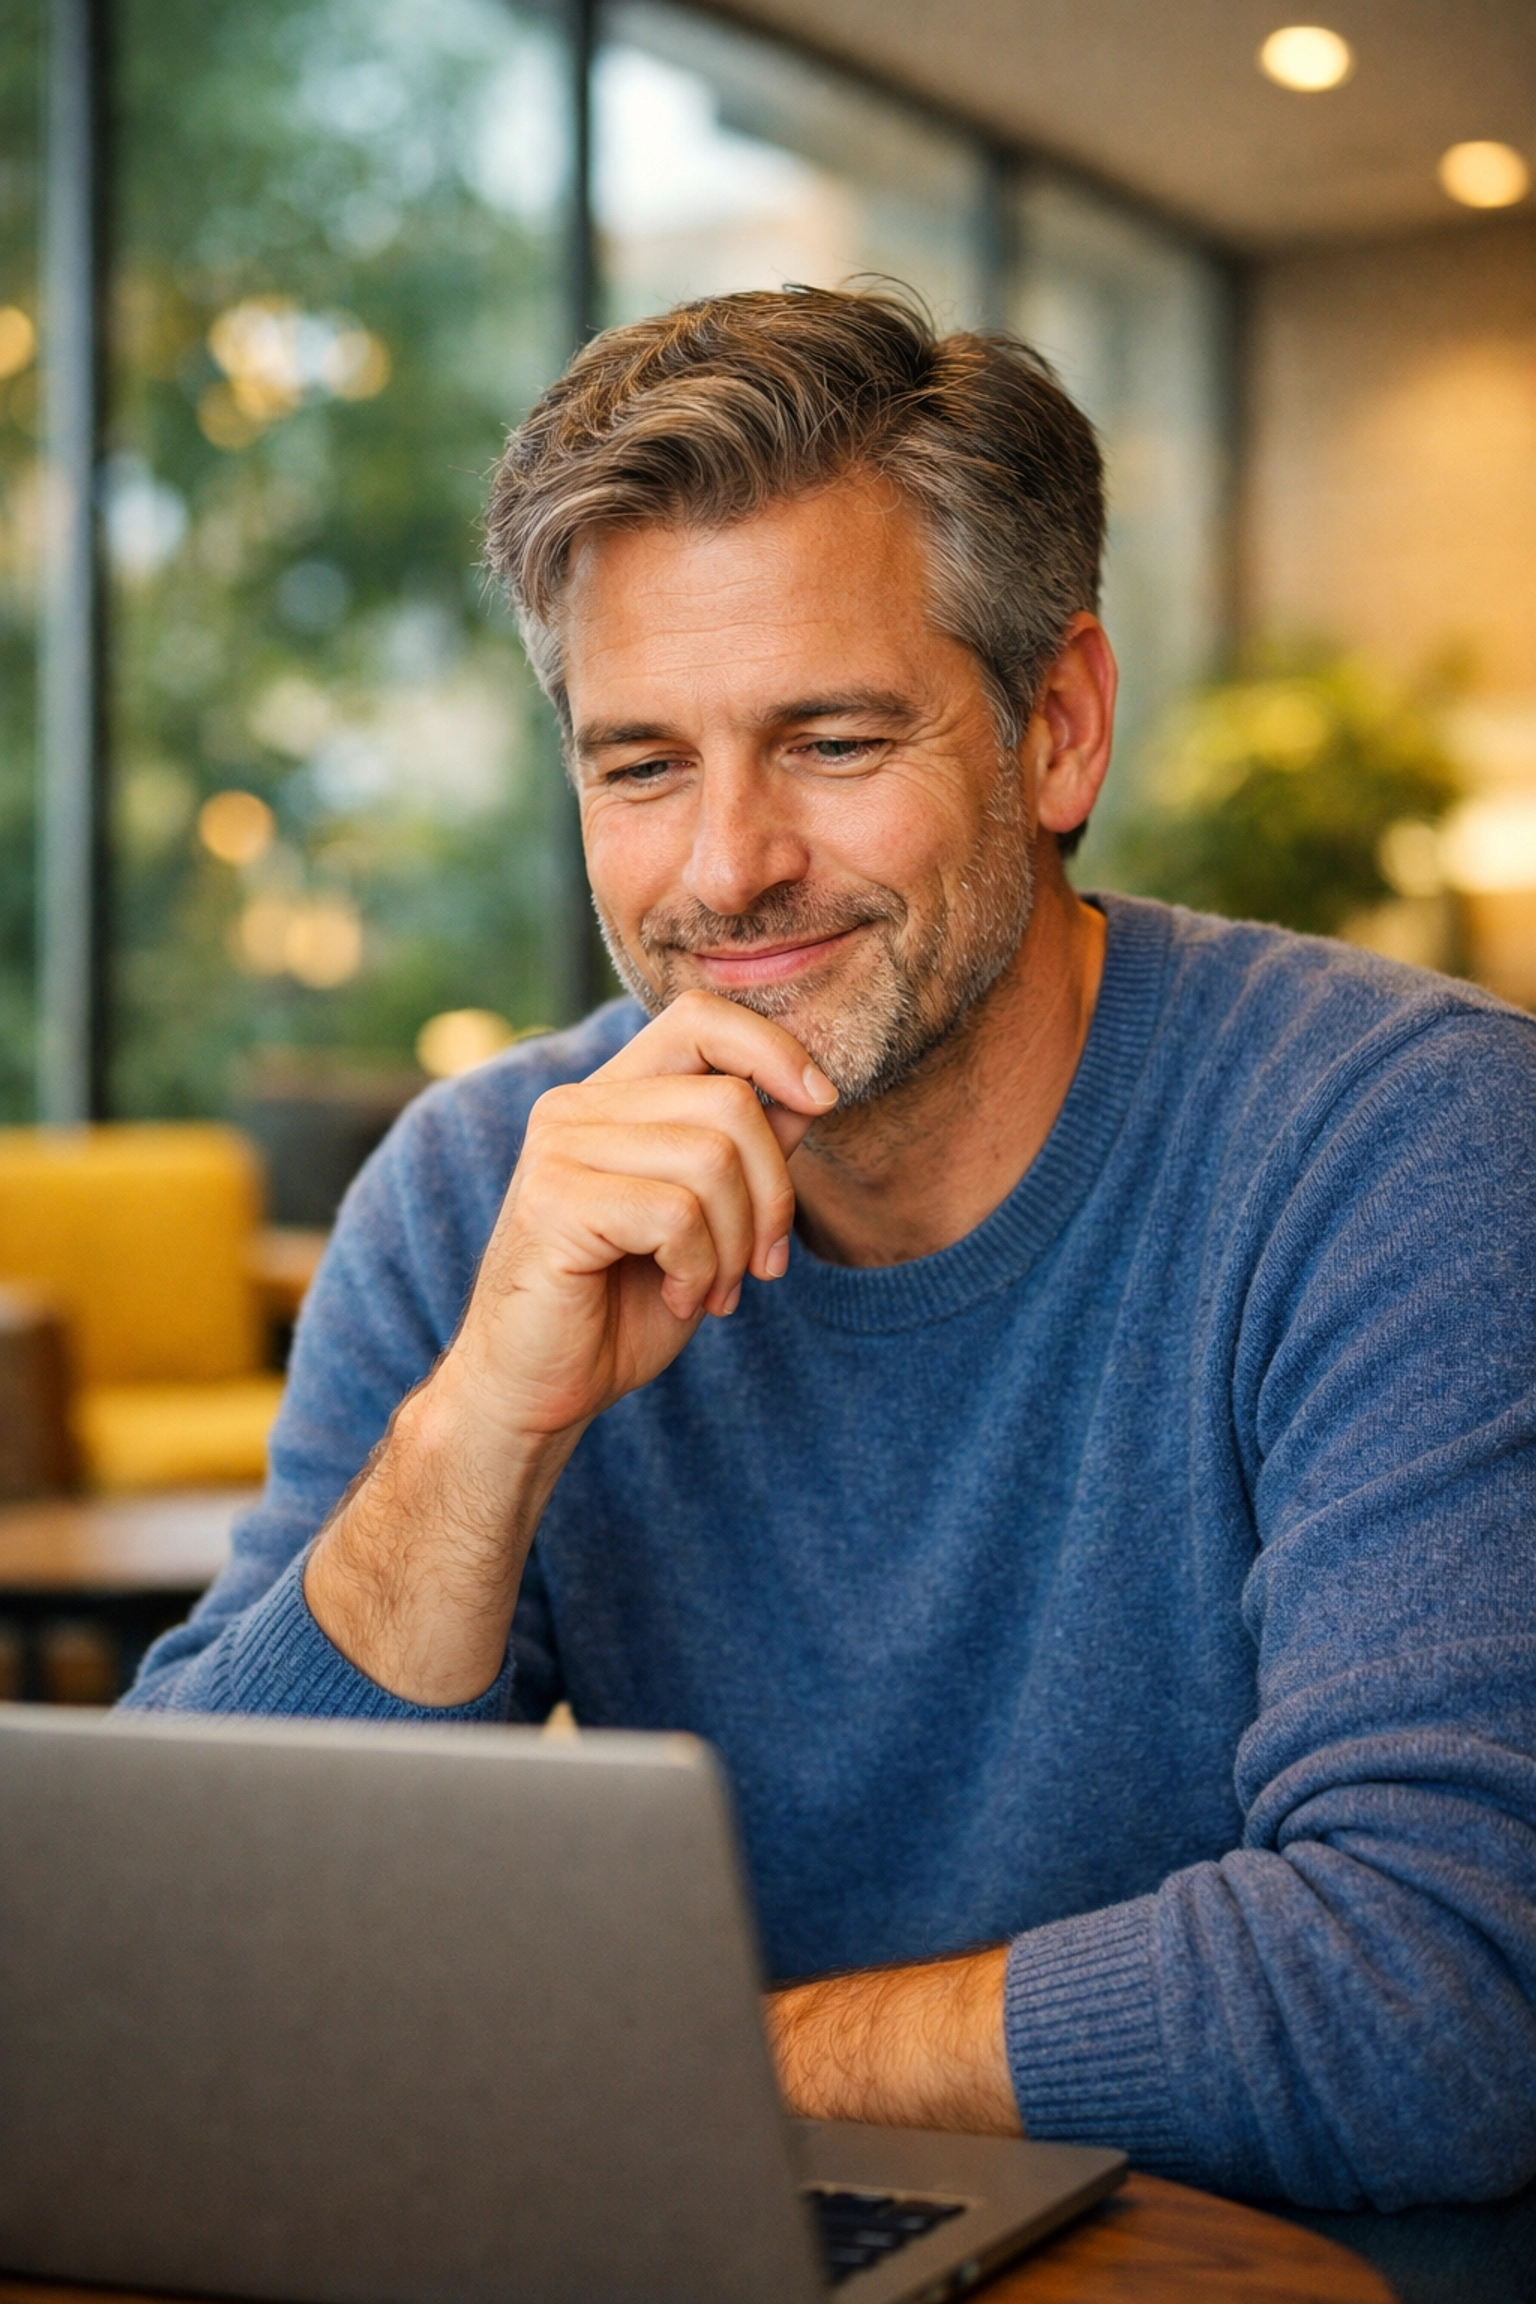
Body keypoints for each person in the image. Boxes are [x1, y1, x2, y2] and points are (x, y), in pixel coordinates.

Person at [126, 286, 1536, 2215]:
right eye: (641, 766)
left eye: (834, 739)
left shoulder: (1411, 1144)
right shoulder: (477, 1194)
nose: (728, 867)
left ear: (1057, 730)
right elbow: (175, 1979)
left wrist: (680, 2076)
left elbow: (1440, 1990)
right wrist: (482, 1430)